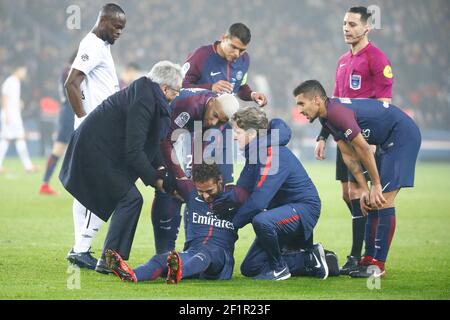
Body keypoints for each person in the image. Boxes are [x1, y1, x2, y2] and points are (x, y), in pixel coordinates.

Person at [150, 22, 268, 256]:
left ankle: (212, 244)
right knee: (185, 185)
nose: (237, 54)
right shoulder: (201, 56)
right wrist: (209, 86)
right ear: (224, 38)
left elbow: (239, 86)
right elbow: (178, 87)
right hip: (192, 128)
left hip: (221, 132)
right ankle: (175, 247)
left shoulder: (243, 61)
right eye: (234, 47)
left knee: (220, 186)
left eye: (242, 50)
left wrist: (251, 94)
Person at [60, 60, 183, 275]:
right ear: (165, 88)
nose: (177, 97)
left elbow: (150, 145)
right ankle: (109, 259)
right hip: (94, 152)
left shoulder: (146, 94)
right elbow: (134, 150)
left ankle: (108, 258)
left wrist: (162, 171)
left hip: (100, 150)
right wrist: (156, 178)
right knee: (130, 199)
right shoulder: (145, 99)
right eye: (176, 92)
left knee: (131, 199)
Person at [293, 80, 421, 278]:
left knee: (383, 200)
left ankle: (378, 265)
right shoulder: (326, 117)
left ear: (317, 100)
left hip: (403, 136)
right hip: (388, 140)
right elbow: (349, 156)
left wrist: (376, 185)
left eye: (301, 104)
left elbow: (362, 149)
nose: (299, 110)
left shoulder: (336, 113)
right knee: (370, 202)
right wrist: (364, 189)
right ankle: (368, 260)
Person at [314, 6, 394, 275]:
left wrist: (374, 139)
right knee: (348, 194)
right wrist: (323, 135)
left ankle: (361, 256)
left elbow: (384, 102)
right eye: (344, 24)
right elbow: (331, 104)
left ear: (366, 28)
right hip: (342, 137)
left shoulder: (377, 59)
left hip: (364, 139)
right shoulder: (342, 61)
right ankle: (361, 255)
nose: (347, 29)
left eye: (352, 25)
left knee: (364, 195)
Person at [222, 107, 329, 281]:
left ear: (252, 134)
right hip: (282, 213)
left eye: (237, 131)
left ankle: (280, 269)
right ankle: (308, 259)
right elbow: (242, 191)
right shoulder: (256, 154)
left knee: (262, 221)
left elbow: (258, 203)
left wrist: (233, 224)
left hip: (303, 209)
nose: (234, 136)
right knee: (251, 267)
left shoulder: (272, 153)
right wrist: (219, 203)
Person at [105, 163, 248, 283]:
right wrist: (163, 175)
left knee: (206, 252)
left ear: (220, 181)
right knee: (162, 258)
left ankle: (179, 271)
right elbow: (164, 177)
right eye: (201, 192)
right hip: (192, 253)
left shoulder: (237, 194)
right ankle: (132, 274)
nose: (205, 196)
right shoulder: (190, 191)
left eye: (209, 191)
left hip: (221, 257)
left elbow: (257, 204)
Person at [63, 3, 126, 272]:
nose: (119, 32)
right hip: (96, 130)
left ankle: (80, 249)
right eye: (116, 26)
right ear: (103, 21)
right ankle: (81, 248)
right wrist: (85, 120)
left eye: (122, 28)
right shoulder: (91, 44)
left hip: (101, 128)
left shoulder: (102, 46)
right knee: (100, 189)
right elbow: (71, 83)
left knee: (85, 191)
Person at [154, 88, 239, 254]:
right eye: (215, 116)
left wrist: (193, 177)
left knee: (191, 187)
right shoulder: (191, 105)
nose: (214, 123)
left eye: (220, 121)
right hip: (157, 134)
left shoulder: (211, 112)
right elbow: (164, 141)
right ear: (213, 101)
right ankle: (164, 252)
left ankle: (191, 249)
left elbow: (198, 145)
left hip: (174, 135)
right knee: (168, 187)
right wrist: (180, 176)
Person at [39, 53, 77, 195]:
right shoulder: (69, 71)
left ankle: (45, 183)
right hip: (69, 112)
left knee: (61, 149)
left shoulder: (66, 71)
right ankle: (45, 183)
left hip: (67, 111)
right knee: (60, 149)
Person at [0, 65, 38, 173]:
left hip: (14, 114)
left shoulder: (16, 82)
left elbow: (11, 99)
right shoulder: (10, 82)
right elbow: (4, 98)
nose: (24, 73)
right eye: (23, 71)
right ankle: (28, 166)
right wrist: (7, 114)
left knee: (14, 139)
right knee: (9, 139)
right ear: (17, 70)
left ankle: (28, 166)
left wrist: (19, 103)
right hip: (10, 115)